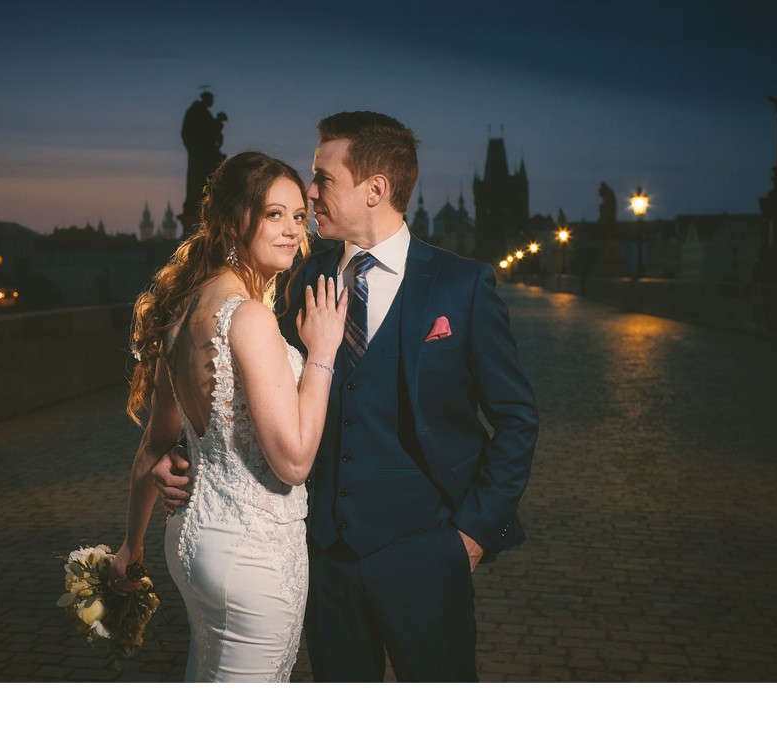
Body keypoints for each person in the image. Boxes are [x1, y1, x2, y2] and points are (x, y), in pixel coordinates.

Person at [155, 112, 538, 682]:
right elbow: (241, 389)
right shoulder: (297, 276)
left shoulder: (462, 285)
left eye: (322, 178)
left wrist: (473, 535)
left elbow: (517, 419)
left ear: (375, 189)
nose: (310, 194)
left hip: (427, 555)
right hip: (323, 561)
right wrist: (184, 454)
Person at [109, 151, 348, 682]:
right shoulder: (251, 318)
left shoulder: (182, 312)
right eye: (273, 215)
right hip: (254, 554)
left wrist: (132, 543)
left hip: (193, 546)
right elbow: (292, 461)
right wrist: (323, 353)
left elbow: (155, 445)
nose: (293, 231)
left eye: (296, 216)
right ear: (233, 221)